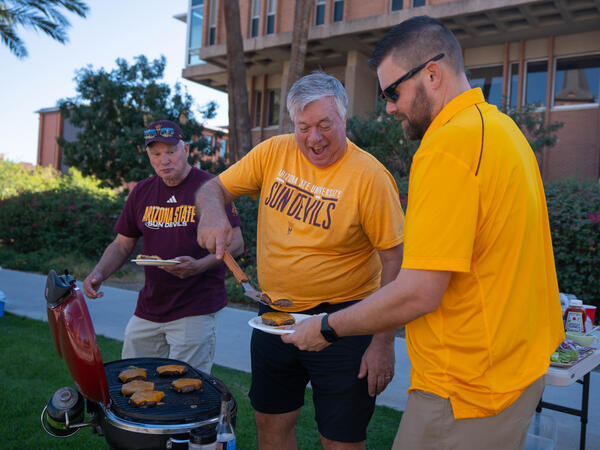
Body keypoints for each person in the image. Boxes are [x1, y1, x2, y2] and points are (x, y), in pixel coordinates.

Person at [283, 16, 565, 450]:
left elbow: (419, 291)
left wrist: (325, 327)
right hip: (515, 373)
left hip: (464, 390)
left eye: (392, 92)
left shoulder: (447, 147)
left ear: (432, 74)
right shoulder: (504, 131)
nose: (389, 107)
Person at [196, 73, 404, 449]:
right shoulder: (274, 151)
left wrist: (382, 342)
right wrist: (213, 214)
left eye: (325, 124)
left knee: (341, 439)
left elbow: (395, 259)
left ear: (344, 119)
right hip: (274, 316)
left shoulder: (370, 177)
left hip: (344, 322)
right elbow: (213, 187)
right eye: (303, 127)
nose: (314, 137)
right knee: (270, 422)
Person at [83, 120, 243, 374]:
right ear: (149, 156)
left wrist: (199, 266)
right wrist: (99, 273)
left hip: (196, 307)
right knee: (133, 380)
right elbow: (122, 243)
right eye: (156, 154)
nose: (164, 160)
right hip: (150, 307)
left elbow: (236, 242)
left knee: (186, 388)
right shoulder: (141, 191)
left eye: (170, 152)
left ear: (186, 150)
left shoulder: (211, 187)